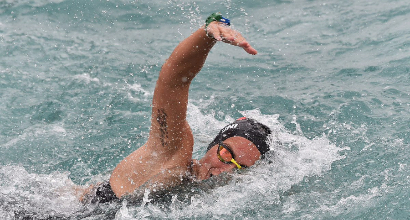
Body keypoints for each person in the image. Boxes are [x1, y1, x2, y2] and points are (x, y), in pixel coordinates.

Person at [84, 13, 271, 203]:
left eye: (241, 168)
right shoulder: (174, 156)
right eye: (226, 154)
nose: (226, 170)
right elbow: (174, 81)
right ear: (214, 144)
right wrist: (206, 36)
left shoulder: (212, 200)